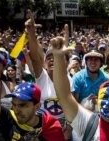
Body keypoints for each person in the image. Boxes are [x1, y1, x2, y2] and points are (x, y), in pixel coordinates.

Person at [51, 36, 109, 141]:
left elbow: (65, 97)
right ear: (98, 101)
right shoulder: (88, 123)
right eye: (104, 97)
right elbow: (65, 96)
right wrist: (58, 58)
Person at [25, 10, 73, 140]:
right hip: (43, 128)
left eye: (55, 57)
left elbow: (74, 104)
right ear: (45, 63)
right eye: (48, 57)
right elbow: (35, 58)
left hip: (64, 128)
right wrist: (31, 34)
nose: (52, 59)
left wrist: (68, 129)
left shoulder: (68, 78)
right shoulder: (42, 77)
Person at [0, 82, 65, 141]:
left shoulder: (52, 128)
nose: (16, 111)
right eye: (14, 105)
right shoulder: (8, 118)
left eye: (22, 105)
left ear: (37, 106)